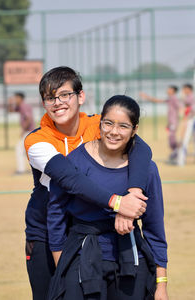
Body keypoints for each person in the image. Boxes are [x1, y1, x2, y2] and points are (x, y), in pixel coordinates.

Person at [24, 66, 151, 300]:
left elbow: (141, 148)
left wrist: (133, 194)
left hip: (83, 234)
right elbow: (71, 179)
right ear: (43, 104)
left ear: (80, 96)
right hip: (44, 233)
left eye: (65, 95)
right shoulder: (36, 140)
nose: (58, 102)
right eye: (50, 98)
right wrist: (118, 203)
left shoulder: (97, 125)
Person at [47, 95, 168, 300]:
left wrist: (161, 285)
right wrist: (63, 268)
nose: (113, 132)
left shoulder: (146, 170)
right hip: (82, 258)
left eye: (123, 126)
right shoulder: (75, 161)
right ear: (100, 122)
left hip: (131, 259)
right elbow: (55, 217)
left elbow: (154, 228)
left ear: (134, 130)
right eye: (108, 123)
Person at [140, 86, 180, 163]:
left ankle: (177, 153)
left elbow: (180, 107)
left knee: (172, 139)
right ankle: (176, 153)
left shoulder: (174, 98)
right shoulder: (170, 98)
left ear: (173, 90)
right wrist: (147, 97)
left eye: (169, 89)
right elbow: (158, 101)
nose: (168, 90)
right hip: (171, 122)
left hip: (174, 122)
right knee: (171, 139)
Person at [8, 92, 35, 174]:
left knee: (19, 149)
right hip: (28, 131)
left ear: (20, 98)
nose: (15, 99)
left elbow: (28, 119)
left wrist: (23, 130)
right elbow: (11, 111)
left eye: (16, 98)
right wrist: (10, 103)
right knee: (25, 151)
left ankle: (21, 170)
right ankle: (26, 169)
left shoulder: (23, 106)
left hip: (28, 131)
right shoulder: (20, 106)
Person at [177, 84, 195, 165]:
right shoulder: (186, 97)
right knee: (185, 140)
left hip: (190, 120)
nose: (183, 91)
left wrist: (186, 117)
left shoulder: (191, 97)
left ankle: (181, 160)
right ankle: (181, 160)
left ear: (189, 89)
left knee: (185, 139)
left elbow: (191, 110)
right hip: (189, 119)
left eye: (185, 89)